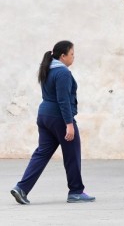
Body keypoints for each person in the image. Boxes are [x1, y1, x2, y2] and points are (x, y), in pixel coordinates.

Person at [10, 40, 95, 204]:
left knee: (41, 153)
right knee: (72, 154)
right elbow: (63, 100)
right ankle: (76, 191)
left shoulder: (47, 69)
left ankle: (21, 188)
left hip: (44, 116)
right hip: (59, 118)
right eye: (72, 54)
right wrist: (69, 124)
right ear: (63, 56)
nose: (73, 57)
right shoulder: (62, 72)